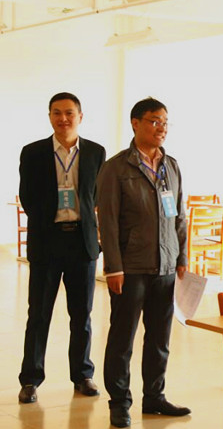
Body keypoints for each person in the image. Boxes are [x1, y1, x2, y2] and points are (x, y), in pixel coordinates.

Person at [96, 97, 190, 428]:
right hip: (131, 267)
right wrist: (113, 267)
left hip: (165, 266)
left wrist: (182, 257)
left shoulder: (171, 165)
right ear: (135, 123)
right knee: (122, 339)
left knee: (160, 339)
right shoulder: (116, 167)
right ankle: (120, 402)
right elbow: (107, 221)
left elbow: (179, 215)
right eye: (154, 120)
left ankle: (155, 397)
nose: (161, 127)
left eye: (164, 121)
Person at [17, 92, 106, 404]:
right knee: (38, 314)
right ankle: (30, 379)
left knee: (82, 315)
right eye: (57, 113)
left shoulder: (95, 152)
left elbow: (97, 196)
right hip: (47, 242)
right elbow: (27, 196)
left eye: (69, 112)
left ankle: (82, 375)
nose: (63, 118)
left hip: (82, 243)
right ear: (50, 116)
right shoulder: (33, 152)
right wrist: (49, 220)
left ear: (80, 116)